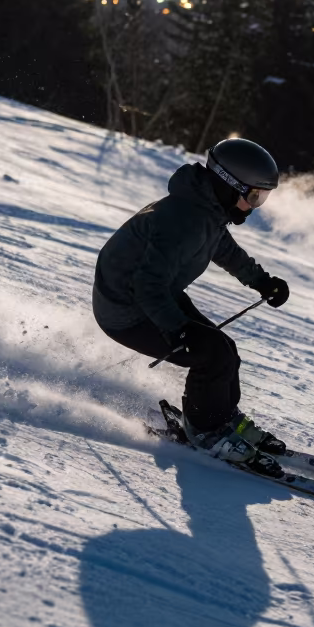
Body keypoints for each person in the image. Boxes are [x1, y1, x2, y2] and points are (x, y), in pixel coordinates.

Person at [93, 138, 290, 463]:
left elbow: (225, 250)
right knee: (210, 355)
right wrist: (177, 329)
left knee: (224, 348)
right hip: (124, 307)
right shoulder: (183, 219)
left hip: (153, 295)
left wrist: (262, 282)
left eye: (262, 198)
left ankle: (225, 419)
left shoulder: (206, 210)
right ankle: (206, 431)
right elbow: (146, 284)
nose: (255, 206)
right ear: (229, 186)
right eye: (254, 196)